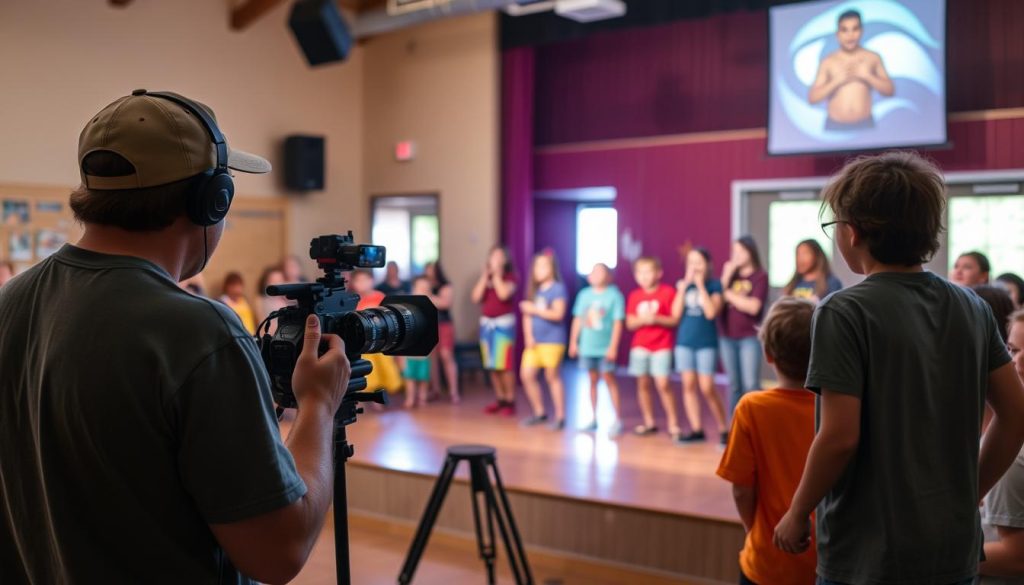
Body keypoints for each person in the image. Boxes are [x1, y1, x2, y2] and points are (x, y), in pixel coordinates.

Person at [0, 89, 351, 584]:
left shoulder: (11, 302)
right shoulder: (197, 331)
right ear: (212, 201)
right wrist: (318, 404)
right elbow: (279, 551)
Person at [773, 152, 1024, 585]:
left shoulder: (843, 310)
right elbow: (1016, 415)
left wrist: (797, 512)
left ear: (852, 232)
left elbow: (838, 437)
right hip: (953, 548)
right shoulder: (973, 307)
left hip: (869, 554)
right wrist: (970, 493)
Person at [718, 297, 817, 585]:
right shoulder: (839, 408)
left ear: (768, 354)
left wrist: (754, 530)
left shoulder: (752, 407)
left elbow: (741, 490)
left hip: (768, 558)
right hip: (828, 561)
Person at [979, 309, 1024, 584]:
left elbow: (1016, 557)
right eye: (1012, 349)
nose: (1017, 363)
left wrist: (930, 553)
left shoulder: (1014, 452)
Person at [673, 248, 729, 444]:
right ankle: (697, 429)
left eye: (699, 262)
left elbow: (711, 313)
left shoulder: (715, 286)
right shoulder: (683, 287)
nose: (695, 267)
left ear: (708, 265)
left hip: (706, 343)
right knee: (688, 386)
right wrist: (683, 288)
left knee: (707, 387)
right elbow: (675, 314)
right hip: (684, 342)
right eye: (691, 262)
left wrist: (700, 287)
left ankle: (724, 428)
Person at [808, 9, 894, 131]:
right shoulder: (828, 61)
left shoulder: (872, 57)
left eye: (855, 29)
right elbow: (813, 98)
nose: (850, 35)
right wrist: (836, 81)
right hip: (834, 127)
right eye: (845, 30)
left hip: (866, 125)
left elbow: (890, 91)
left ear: (861, 31)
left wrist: (867, 76)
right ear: (838, 34)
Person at [626, 256, 681, 440]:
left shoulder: (667, 292)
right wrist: (642, 320)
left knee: (663, 383)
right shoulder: (635, 295)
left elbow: (674, 319)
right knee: (643, 384)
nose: (644, 276)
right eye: (639, 272)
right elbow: (630, 323)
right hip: (640, 346)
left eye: (648, 271)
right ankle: (649, 422)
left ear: (658, 273)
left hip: (662, 346)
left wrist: (657, 319)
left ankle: (673, 423)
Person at [568, 263, 625, 437]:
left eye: (601, 271)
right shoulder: (584, 295)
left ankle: (617, 419)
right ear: (588, 277)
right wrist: (573, 342)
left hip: (605, 349)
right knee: (592, 380)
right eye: (593, 271)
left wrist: (613, 347)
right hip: (587, 347)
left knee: (609, 379)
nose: (596, 274)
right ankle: (593, 418)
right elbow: (578, 319)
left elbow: (617, 322)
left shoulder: (614, 295)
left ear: (609, 276)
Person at [719, 236, 769, 414]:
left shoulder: (760, 276)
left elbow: (753, 307)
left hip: (749, 337)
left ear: (751, 251)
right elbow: (717, 301)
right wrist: (726, 276)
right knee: (734, 385)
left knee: (751, 384)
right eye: (735, 251)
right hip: (727, 337)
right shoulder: (730, 276)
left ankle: (757, 426)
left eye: (741, 251)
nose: (737, 255)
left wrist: (729, 295)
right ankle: (735, 429)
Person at [519, 251, 569, 430]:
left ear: (552, 268)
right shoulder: (535, 290)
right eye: (536, 266)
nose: (539, 270)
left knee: (551, 376)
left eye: (543, 266)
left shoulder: (557, 289)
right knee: (527, 375)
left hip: (552, 340)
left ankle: (560, 416)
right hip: (535, 342)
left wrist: (534, 309)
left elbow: (558, 314)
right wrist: (528, 336)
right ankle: (539, 412)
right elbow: (527, 316)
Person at [471, 245, 518, 416]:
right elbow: (475, 297)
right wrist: (485, 277)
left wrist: (497, 276)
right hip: (486, 326)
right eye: (493, 256)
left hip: (503, 326)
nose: (496, 260)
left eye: (500, 257)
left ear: (505, 260)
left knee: (505, 365)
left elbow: (504, 294)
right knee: (492, 365)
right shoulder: (486, 278)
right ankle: (500, 399)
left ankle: (510, 400)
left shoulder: (510, 277)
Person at [350, 269, 403, 395]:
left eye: (365, 280)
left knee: (385, 366)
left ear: (372, 281)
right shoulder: (353, 300)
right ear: (353, 283)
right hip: (365, 343)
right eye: (358, 280)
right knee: (369, 369)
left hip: (381, 341)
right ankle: (372, 393)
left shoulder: (379, 296)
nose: (362, 283)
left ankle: (385, 390)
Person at [424, 261, 459, 403]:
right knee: (432, 359)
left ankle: (453, 392)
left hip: (444, 324)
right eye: (427, 269)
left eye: (431, 269)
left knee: (446, 356)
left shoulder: (445, 286)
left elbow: (445, 303)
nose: (429, 272)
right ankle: (435, 389)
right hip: (429, 324)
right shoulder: (425, 286)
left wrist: (427, 297)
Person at [403, 276, 433, 408]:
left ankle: (422, 396)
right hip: (410, 349)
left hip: (424, 349)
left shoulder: (430, 305)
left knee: (423, 376)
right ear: (413, 289)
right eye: (420, 288)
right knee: (409, 376)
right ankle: (410, 398)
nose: (423, 291)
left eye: (426, 289)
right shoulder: (407, 305)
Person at [257, 265, 289, 335]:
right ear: (266, 283)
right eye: (273, 281)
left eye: (280, 281)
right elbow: (262, 323)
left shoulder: (286, 300)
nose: (277, 284)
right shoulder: (261, 300)